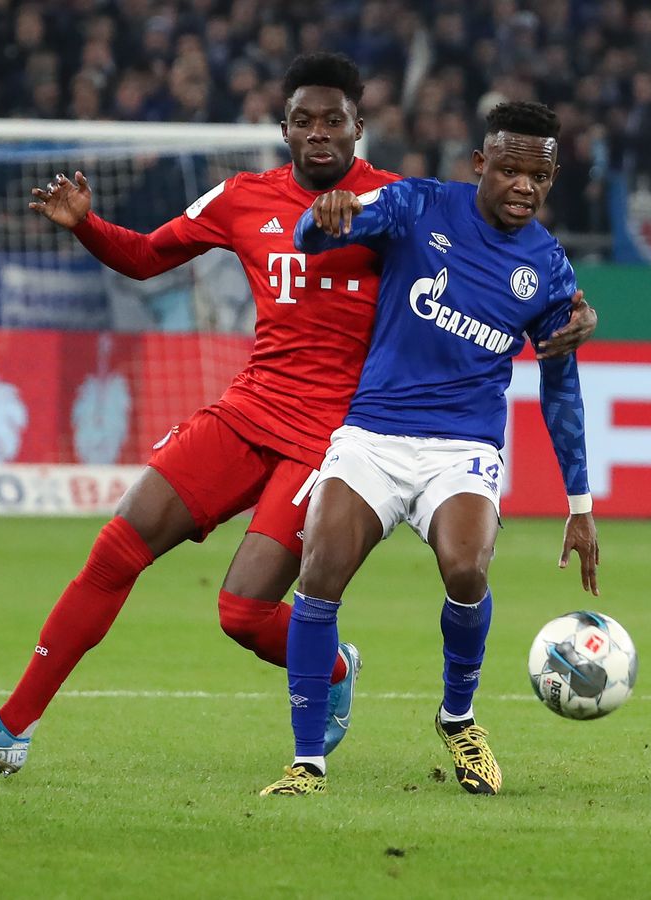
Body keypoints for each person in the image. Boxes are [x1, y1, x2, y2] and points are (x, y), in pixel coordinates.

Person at [0, 58, 597, 777]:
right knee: (116, 548)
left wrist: (577, 314)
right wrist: (88, 226)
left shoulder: (399, 203)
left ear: (358, 129)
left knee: (241, 614)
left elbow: (493, 267)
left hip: (331, 436)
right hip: (247, 409)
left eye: (334, 120)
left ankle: (335, 667)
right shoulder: (242, 197)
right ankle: (12, 727)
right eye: (304, 121)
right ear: (284, 129)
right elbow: (147, 257)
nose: (319, 133)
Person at [261, 100, 599, 798]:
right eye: (509, 170)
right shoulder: (418, 205)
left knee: (467, 568)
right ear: (480, 164)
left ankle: (458, 717)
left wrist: (580, 503)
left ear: (552, 178)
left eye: (538, 177)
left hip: (462, 446)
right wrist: (323, 217)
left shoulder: (548, 267)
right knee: (319, 571)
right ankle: (307, 762)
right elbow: (312, 237)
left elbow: (561, 387)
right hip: (375, 433)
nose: (524, 187)